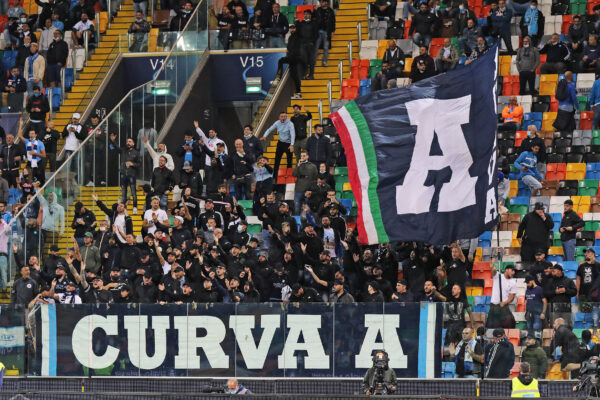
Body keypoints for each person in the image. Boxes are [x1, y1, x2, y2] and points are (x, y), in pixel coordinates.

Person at [261, 111, 295, 181]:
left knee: (289, 161)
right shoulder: (277, 123)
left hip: (288, 144)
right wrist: (265, 136)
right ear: (279, 117)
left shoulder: (290, 124)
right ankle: (275, 177)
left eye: (285, 116)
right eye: (282, 117)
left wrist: (292, 145)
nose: (283, 118)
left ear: (287, 117)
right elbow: (270, 129)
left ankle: (289, 176)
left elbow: (293, 134)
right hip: (280, 143)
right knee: (277, 160)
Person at [487, 262, 516, 329]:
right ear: (507, 270)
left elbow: (512, 297)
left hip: (504, 306)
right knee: (492, 327)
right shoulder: (498, 276)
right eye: (512, 270)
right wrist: (494, 258)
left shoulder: (513, 282)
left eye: (514, 271)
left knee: (510, 323)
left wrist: (504, 302)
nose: (513, 272)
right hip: (494, 306)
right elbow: (492, 268)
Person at [118, 138, 140, 214]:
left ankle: (135, 207)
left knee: (133, 192)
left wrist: (132, 164)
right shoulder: (123, 151)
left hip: (132, 174)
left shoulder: (136, 153)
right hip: (124, 174)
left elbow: (139, 164)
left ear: (133, 144)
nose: (128, 143)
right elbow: (116, 147)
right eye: (127, 141)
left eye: (130, 141)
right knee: (123, 193)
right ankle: (124, 208)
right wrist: (113, 141)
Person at [292, 149, 318, 215]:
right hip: (299, 189)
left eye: (304, 156)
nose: (302, 157)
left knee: (308, 208)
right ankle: (297, 223)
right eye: (301, 156)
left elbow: (315, 178)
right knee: (297, 207)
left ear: (307, 156)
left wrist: (311, 189)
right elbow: (294, 174)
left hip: (308, 189)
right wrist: (298, 166)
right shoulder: (298, 165)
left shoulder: (313, 166)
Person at [313, 0, 335, 67]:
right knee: (316, 48)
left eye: (323, 2)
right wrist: (314, 10)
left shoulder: (330, 11)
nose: (322, 3)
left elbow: (333, 22)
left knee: (326, 48)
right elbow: (313, 18)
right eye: (321, 2)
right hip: (318, 32)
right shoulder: (318, 10)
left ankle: (324, 61)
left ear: (326, 2)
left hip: (327, 32)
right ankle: (313, 62)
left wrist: (333, 31)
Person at [524, 275, 547, 339]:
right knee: (529, 330)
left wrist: (543, 312)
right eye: (526, 283)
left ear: (532, 281)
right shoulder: (527, 290)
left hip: (537, 313)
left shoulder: (539, 289)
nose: (527, 284)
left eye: (528, 282)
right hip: (529, 313)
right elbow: (527, 301)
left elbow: (545, 301)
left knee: (536, 330)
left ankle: (537, 344)